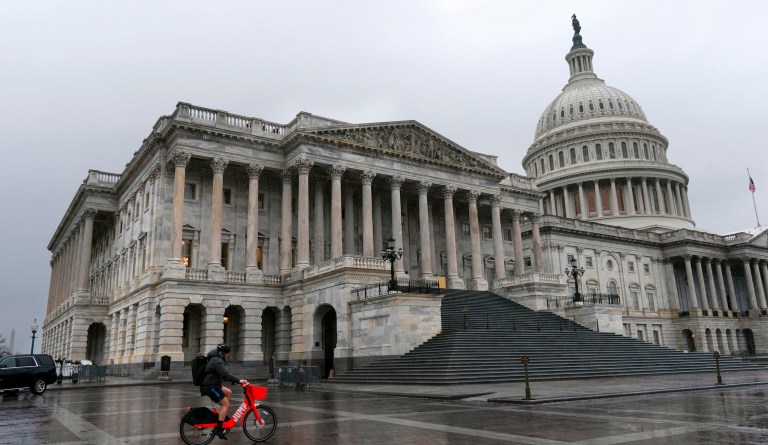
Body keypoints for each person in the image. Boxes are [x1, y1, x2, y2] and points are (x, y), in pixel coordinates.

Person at [200, 344, 246, 440]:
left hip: (213, 384)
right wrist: (238, 380)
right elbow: (225, 374)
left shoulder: (215, 358)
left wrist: (233, 381)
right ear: (224, 353)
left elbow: (221, 374)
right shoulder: (217, 360)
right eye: (227, 353)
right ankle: (219, 429)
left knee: (228, 392)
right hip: (211, 387)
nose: (227, 355)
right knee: (226, 405)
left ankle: (222, 416)